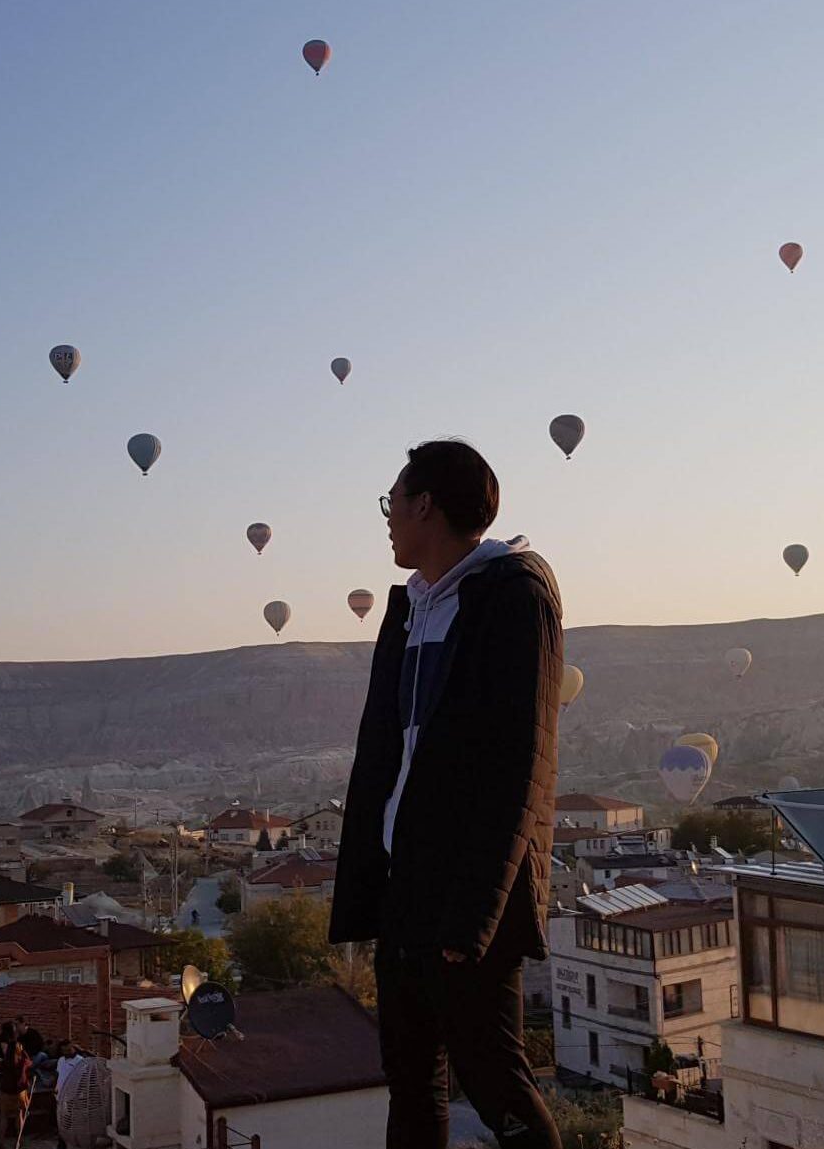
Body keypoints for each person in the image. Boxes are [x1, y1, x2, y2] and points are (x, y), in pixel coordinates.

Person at [331, 440, 564, 1149]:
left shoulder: (511, 595)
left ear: (425, 503)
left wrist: (476, 914)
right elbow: (387, 756)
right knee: (412, 1080)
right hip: (406, 888)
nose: (388, 519)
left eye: (392, 503)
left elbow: (519, 762)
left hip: (467, 897)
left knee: (497, 1083)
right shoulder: (413, 608)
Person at [0, 1020, 31, 1145]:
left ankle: (1, 1141)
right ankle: (19, 1140)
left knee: (4, 1115)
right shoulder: (17, 1047)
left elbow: (5, 1066)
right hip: (19, 1087)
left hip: (6, 1086)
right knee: (19, 1113)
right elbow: (26, 1062)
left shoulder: (5, 1046)